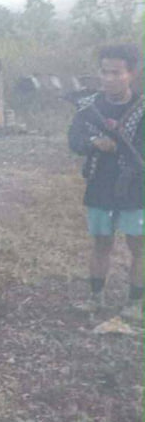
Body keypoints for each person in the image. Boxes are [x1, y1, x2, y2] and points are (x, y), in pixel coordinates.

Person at [67, 44, 144, 320]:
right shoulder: (88, 106)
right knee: (101, 243)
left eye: (116, 73)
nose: (109, 78)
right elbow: (74, 140)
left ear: (132, 73)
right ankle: (95, 298)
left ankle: (136, 303)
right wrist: (94, 142)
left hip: (136, 186)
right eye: (105, 72)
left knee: (139, 246)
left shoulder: (142, 108)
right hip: (100, 183)